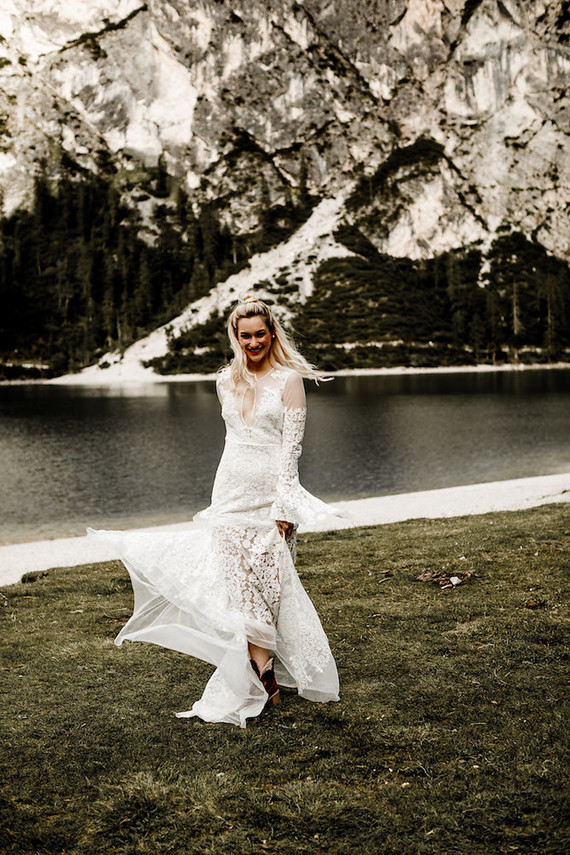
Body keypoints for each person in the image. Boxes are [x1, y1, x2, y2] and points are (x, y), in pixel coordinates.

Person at [87, 295, 340, 727]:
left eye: (261, 333)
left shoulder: (289, 381)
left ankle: (263, 670)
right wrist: (220, 496)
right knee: (238, 586)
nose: (254, 341)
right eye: (246, 335)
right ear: (236, 337)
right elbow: (230, 441)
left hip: (269, 496)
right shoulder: (224, 380)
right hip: (228, 493)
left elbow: (290, 451)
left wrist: (284, 504)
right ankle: (261, 673)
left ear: (272, 333)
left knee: (270, 586)